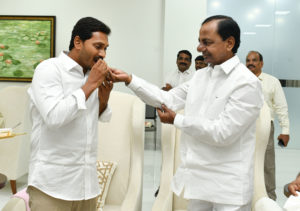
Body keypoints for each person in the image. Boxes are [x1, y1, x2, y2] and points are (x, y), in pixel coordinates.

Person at [111, 15, 263, 211]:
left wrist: (177, 120)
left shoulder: (246, 83)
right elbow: (166, 99)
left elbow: (223, 133)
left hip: (229, 187)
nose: (200, 48)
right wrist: (130, 80)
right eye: (199, 42)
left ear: (229, 43)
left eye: (207, 42)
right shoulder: (201, 76)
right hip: (197, 180)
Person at [27, 17, 113, 211]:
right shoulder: (49, 69)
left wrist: (103, 98)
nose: (103, 54)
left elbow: (94, 119)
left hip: (87, 187)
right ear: (77, 42)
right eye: (98, 46)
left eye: (106, 48)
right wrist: (90, 85)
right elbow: (54, 117)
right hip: (51, 187)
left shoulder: (89, 74)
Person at [246, 50, 290, 201]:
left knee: (267, 163)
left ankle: (270, 198)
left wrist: (285, 130)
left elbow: (281, 107)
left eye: (254, 60)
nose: (250, 63)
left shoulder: (272, 81)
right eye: (248, 60)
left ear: (261, 63)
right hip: (243, 126)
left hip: (265, 127)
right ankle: (246, 196)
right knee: (244, 160)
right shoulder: (240, 80)